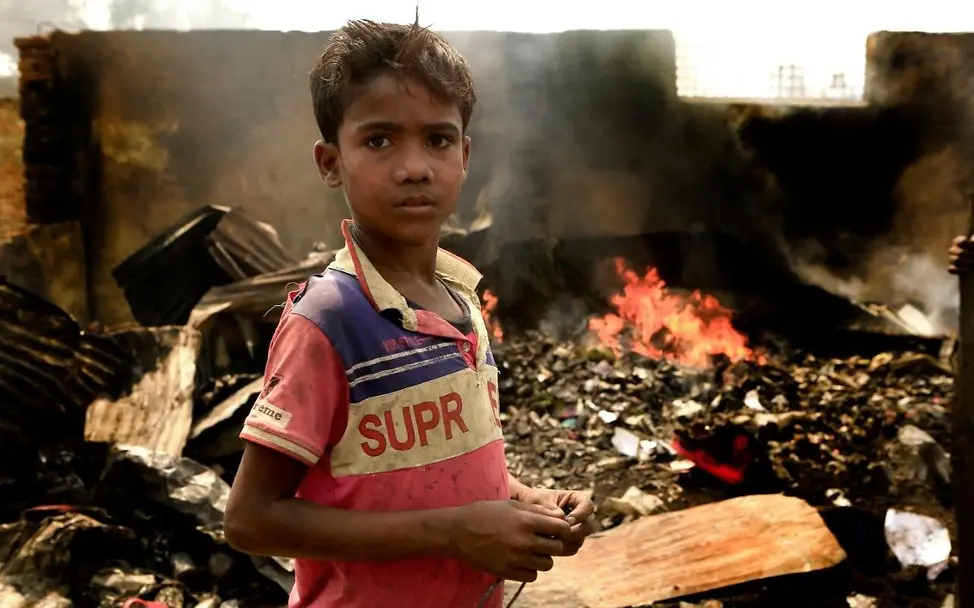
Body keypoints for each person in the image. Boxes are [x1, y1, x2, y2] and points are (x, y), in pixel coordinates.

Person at [224, 19, 596, 608]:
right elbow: (249, 521)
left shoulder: (462, 300)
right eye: (379, 140)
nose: (415, 167)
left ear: (465, 155)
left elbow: (439, 467)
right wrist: (453, 533)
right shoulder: (330, 322)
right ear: (329, 162)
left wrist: (526, 502)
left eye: (439, 140)